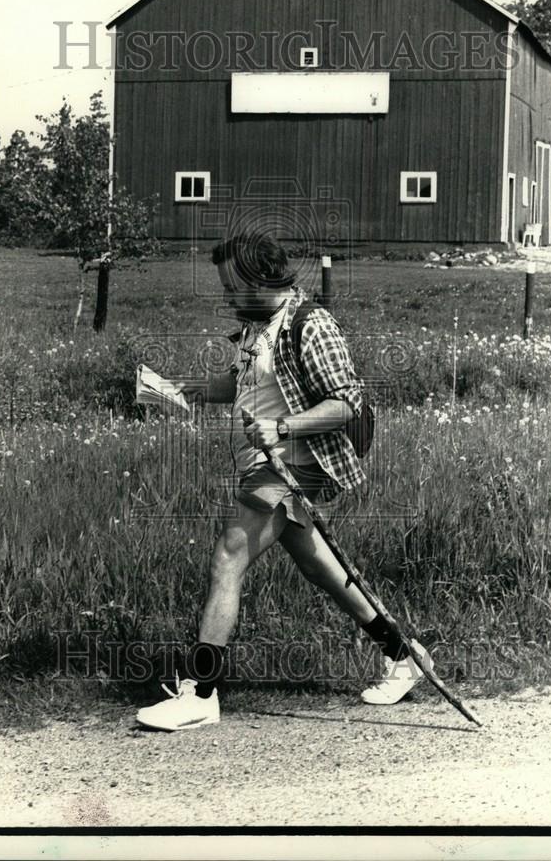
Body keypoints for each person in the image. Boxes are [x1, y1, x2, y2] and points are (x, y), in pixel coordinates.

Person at [135, 232, 431, 731]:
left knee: (230, 553)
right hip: (265, 459)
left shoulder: (311, 325)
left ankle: (201, 691)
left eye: (232, 286)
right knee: (320, 566)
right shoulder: (255, 327)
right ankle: (403, 654)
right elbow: (241, 382)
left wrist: (282, 427)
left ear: (259, 279)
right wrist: (181, 390)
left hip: (298, 462)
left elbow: (345, 402)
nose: (226, 296)